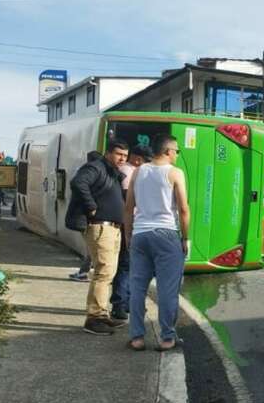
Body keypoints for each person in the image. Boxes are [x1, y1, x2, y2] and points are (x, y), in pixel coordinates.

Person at [125, 134, 191, 352]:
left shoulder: (138, 171)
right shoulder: (175, 173)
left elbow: (128, 208)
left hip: (140, 235)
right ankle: (167, 337)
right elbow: (183, 209)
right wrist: (185, 238)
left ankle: (137, 337)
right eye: (177, 151)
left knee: (137, 288)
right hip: (166, 234)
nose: (177, 154)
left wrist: (128, 235)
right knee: (167, 289)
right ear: (168, 151)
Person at [70, 141, 129, 335]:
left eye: (125, 156)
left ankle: (102, 315)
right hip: (101, 227)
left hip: (113, 228)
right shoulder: (96, 167)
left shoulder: (112, 171)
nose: (122, 159)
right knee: (103, 272)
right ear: (108, 153)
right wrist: (91, 206)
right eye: (119, 154)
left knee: (108, 272)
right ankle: (94, 318)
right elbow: (78, 183)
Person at [110, 144, 152, 320]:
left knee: (130, 266)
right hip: (130, 224)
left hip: (132, 224)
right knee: (126, 266)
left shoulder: (131, 171)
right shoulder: (128, 171)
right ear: (137, 158)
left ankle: (127, 302)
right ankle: (120, 304)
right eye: (145, 161)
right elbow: (130, 201)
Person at [69, 151, 103, 282]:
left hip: (88, 218)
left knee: (91, 247)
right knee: (91, 247)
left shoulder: (87, 173)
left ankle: (85, 272)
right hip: (91, 218)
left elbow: (76, 184)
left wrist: (91, 206)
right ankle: (85, 271)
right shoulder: (96, 174)